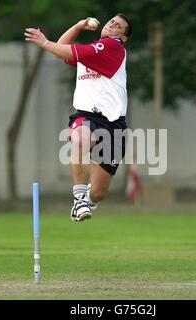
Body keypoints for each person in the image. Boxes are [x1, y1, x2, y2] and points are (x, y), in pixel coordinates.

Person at [25, 14, 132, 221]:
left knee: (99, 193)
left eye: (118, 26)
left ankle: (86, 200)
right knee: (81, 139)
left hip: (114, 124)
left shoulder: (113, 47)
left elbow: (64, 49)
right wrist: (77, 26)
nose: (111, 26)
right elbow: (62, 49)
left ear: (123, 37)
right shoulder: (92, 51)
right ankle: (79, 199)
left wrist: (44, 42)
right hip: (87, 115)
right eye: (111, 22)